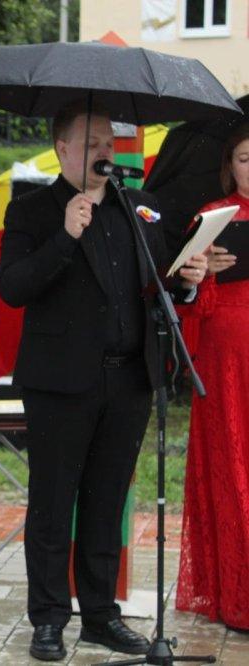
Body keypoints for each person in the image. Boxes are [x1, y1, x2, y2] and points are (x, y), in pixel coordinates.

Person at [0, 102, 208, 662]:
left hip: (130, 379)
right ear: (62, 149)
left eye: (108, 144)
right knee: (52, 504)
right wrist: (65, 236)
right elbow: (14, 288)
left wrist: (187, 281)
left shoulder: (139, 209)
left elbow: (159, 286)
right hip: (59, 384)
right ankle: (48, 619)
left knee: (106, 500)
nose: (103, 153)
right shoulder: (32, 210)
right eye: (90, 143)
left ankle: (100, 616)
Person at [175, 121, 249, 633]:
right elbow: (188, 303)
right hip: (225, 356)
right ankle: (237, 593)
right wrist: (205, 275)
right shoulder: (211, 216)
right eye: (244, 159)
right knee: (230, 465)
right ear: (230, 167)